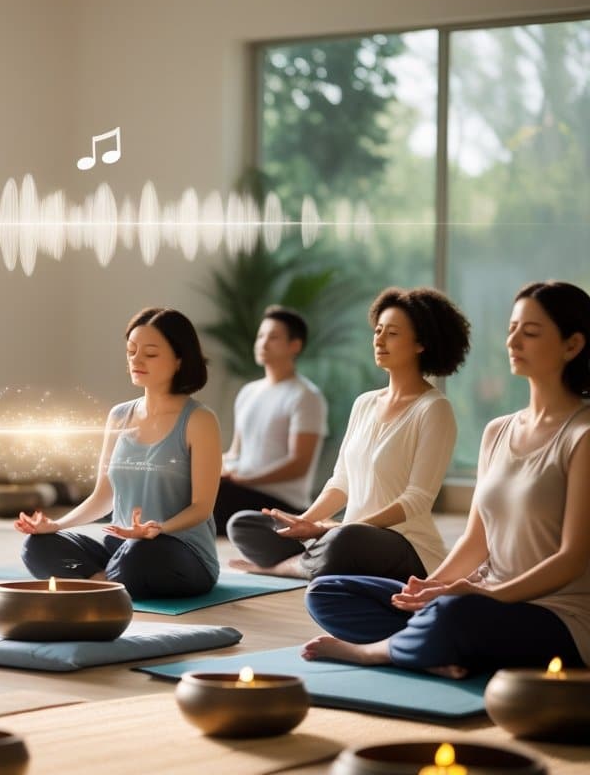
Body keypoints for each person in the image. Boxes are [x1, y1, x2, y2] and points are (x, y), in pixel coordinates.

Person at [304, 281, 590, 676]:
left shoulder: (583, 436)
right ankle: (434, 648)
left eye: (531, 332)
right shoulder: (497, 432)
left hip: (554, 615)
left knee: (457, 613)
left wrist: (481, 594)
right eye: (511, 329)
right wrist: (428, 590)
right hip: (478, 601)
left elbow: (572, 559)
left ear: (572, 345)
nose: (513, 341)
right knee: (328, 592)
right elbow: (476, 539)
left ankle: (379, 651)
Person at [228, 287, 470, 582]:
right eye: (377, 330)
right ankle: (316, 555)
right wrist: (305, 522)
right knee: (244, 525)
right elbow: (340, 481)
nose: (379, 340)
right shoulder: (365, 403)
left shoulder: (434, 409)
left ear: (421, 343)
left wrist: (334, 529)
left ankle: (281, 568)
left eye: (392, 333)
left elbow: (416, 500)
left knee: (344, 543)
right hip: (344, 534)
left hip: (402, 544)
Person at [14, 307, 221, 600]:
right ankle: (110, 583)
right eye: (131, 351)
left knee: (140, 553)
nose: (136, 360)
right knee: (38, 545)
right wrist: (56, 525)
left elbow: (202, 507)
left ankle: (101, 583)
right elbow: (103, 496)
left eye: (150, 354)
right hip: (121, 551)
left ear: (179, 359)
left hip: (175, 552)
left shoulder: (200, 420)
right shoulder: (119, 415)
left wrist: (156, 529)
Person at [215, 305, 328, 534]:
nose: (263, 343)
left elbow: (299, 464)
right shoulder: (248, 391)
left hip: (281, 502)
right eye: (260, 336)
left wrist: (245, 480)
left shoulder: (306, 396)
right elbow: (236, 453)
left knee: (214, 495)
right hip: (240, 490)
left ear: (294, 345)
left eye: (273, 337)